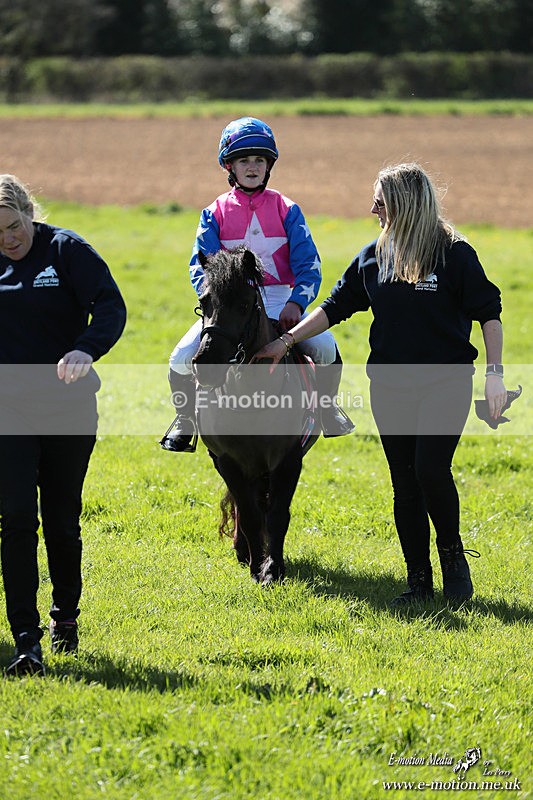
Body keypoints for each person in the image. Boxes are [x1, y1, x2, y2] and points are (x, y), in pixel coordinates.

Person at [252, 162, 507, 606]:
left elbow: (489, 314)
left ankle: (453, 561)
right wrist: (285, 342)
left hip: (446, 382)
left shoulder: (455, 255)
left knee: (430, 469)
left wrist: (494, 377)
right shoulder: (374, 256)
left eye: (381, 201)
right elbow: (336, 305)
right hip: (389, 386)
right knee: (404, 481)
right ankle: (419, 582)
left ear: (406, 205)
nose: (373, 209)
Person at [160, 116, 354, 452]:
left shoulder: (288, 209)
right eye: (244, 160)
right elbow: (200, 267)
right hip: (231, 304)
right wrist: (216, 303)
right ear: (229, 166)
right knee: (180, 357)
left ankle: (327, 410)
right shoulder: (213, 213)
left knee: (325, 348)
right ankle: (186, 420)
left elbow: (309, 266)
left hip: (281, 298)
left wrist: (296, 304)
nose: (252, 167)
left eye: (260, 160)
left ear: (269, 166)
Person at [0, 174, 126, 675]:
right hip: (8, 411)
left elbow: (111, 308)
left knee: (60, 518)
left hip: (67, 408)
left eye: (12, 227)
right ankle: (26, 641)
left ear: (30, 213)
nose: (7, 239)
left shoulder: (66, 250)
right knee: (14, 521)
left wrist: (85, 348)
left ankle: (65, 618)